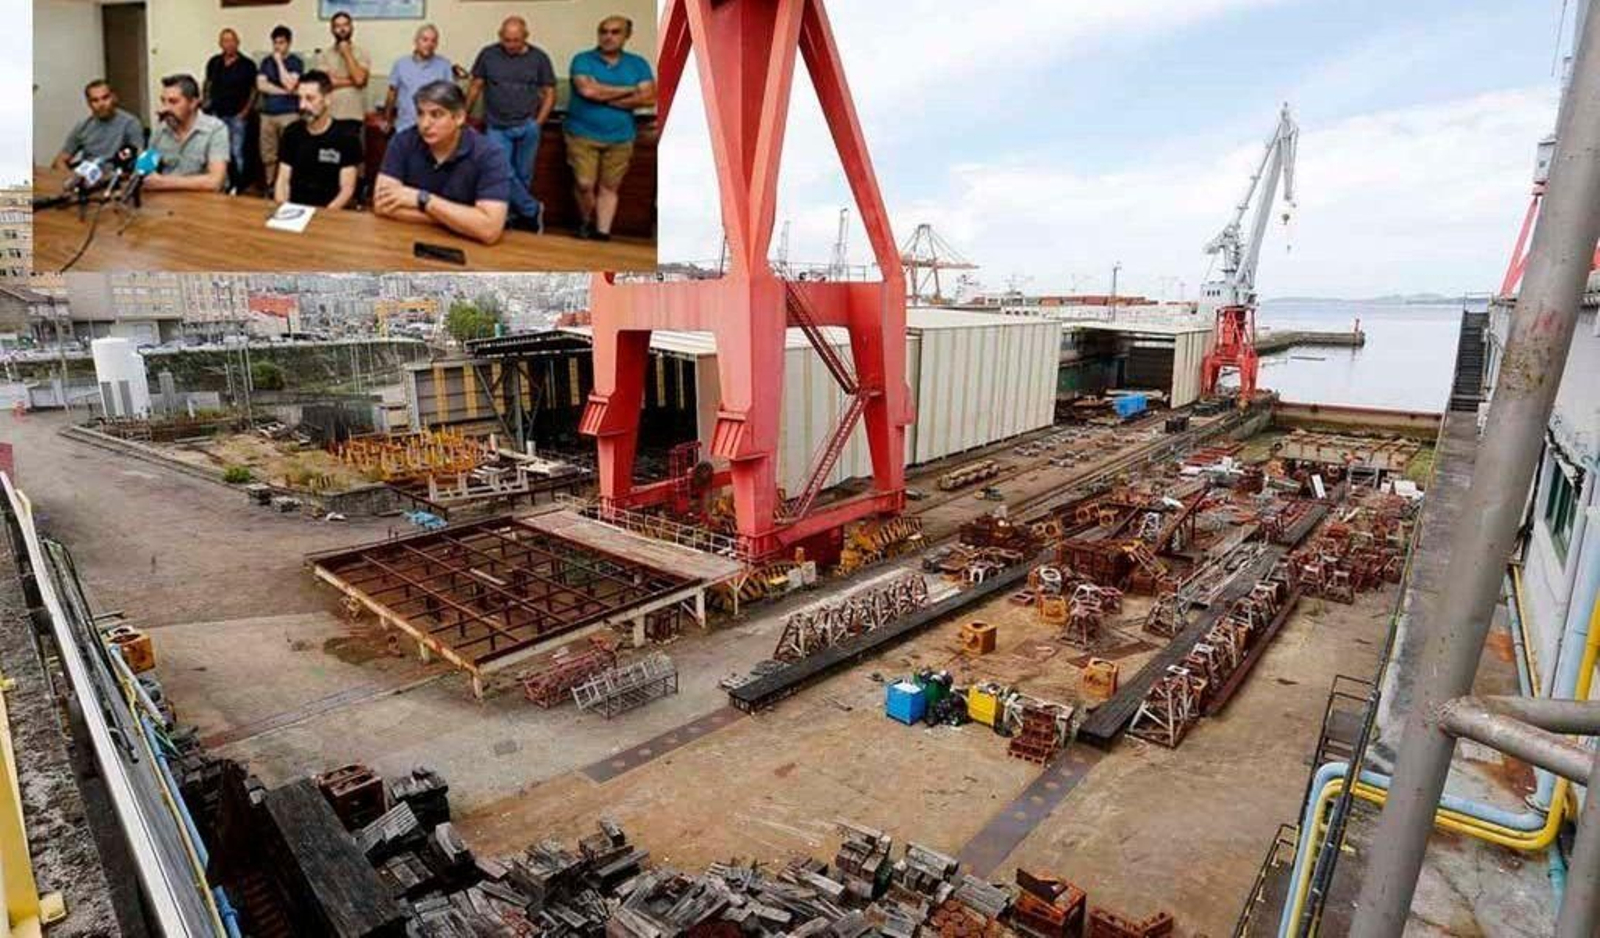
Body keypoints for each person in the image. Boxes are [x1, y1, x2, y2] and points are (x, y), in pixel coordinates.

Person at [374, 80, 509, 245]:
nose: (424, 124)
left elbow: (490, 230)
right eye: (420, 113)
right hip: (406, 240)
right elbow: (382, 205)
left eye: (436, 114)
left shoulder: (490, 154)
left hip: (466, 248)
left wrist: (422, 199)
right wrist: (455, 220)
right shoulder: (403, 141)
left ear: (459, 117)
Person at [566, 16, 655, 241]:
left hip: (621, 136)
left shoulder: (638, 63)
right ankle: (586, 221)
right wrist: (629, 89)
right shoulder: (583, 59)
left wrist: (604, 94)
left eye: (615, 32)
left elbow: (648, 97)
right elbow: (588, 92)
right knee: (584, 183)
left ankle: (602, 232)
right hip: (582, 133)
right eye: (604, 31)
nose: (608, 36)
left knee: (609, 186)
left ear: (627, 36)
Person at [466, 16, 554, 233]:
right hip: (497, 126)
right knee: (501, 172)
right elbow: (475, 86)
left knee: (523, 176)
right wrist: (463, 115)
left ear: (526, 37)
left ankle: (513, 217)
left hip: (527, 125)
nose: (511, 45)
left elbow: (549, 92)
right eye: (506, 40)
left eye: (516, 40)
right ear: (500, 36)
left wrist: (538, 123)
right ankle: (532, 209)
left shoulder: (539, 58)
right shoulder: (488, 55)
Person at [274, 71, 361, 210]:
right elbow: (283, 180)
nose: (302, 106)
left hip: (331, 213)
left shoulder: (346, 137)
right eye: (300, 98)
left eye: (310, 99)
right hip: (294, 210)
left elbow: (347, 189)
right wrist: (283, 208)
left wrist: (323, 216)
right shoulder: (291, 132)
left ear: (327, 99)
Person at [144, 74, 230, 192]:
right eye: (163, 101)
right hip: (168, 199)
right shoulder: (161, 129)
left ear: (193, 103)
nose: (165, 108)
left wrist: (163, 182)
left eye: (173, 102)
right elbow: (144, 169)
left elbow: (215, 182)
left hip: (205, 201)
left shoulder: (215, 129)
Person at [202, 28, 257, 192]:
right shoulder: (214, 62)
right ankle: (222, 183)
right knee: (217, 152)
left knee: (236, 151)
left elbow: (254, 90)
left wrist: (245, 112)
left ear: (237, 42)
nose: (228, 44)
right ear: (220, 44)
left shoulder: (247, 64)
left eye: (231, 40)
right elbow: (208, 83)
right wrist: (206, 101)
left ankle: (238, 186)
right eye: (225, 41)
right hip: (216, 115)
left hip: (237, 116)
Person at [51, 80, 145, 171]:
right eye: (95, 100)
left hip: (115, 177)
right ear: (89, 104)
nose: (101, 104)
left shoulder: (130, 123)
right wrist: (71, 178)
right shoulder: (83, 126)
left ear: (114, 98)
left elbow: (139, 162)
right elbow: (59, 161)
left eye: (105, 98)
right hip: (87, 175)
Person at [382, 24, 454, 136]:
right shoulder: (400, 64)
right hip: (405, 127)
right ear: (416, 41)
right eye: (425, 40)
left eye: (433, 41)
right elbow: (392, 94)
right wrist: (387, 119)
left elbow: (450, 98)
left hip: (434, 130)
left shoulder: (444, 65)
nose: (429, 44)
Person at [256, 25, 305, 189]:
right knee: (268, 153)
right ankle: (270, 185)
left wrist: (279, 62)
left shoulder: (296, 62)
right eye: (275, 43)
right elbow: (261, 85)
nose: (277, 47)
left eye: (281, 43)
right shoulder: (265, 61)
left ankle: (288, 186)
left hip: (289, 114)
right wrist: (284, 91)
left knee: (290, 151)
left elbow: (290, 84)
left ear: (289, 43)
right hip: (267, 114)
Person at [315, 11, 371, 124]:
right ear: (332, 30)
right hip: (329, 115)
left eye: (345, 25)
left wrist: (347, 53)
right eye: (337, 26)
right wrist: (352, 81)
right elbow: (325, 83)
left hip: (354, 115)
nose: (342, 29)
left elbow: (360, 80)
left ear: (351, 28)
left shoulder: (362, 52)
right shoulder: (324, 54)